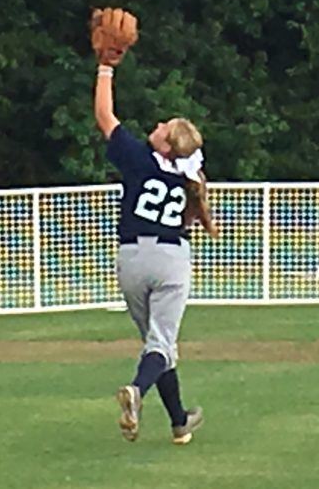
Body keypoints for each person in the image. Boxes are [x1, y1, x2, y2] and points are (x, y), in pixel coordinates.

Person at [93, 54, 218, 445]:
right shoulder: (188, 178)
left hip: (129, 258)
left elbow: (103, 114)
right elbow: (193, 217)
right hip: (170, 258)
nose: (159, 125)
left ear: (167, 145)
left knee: (158, 345)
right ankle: (136, 391)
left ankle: (180, 421)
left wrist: (105, 67)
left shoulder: (138, 158)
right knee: (160, 346)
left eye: (165, 127)